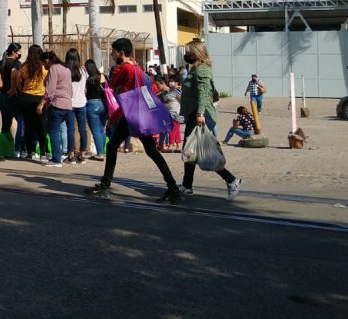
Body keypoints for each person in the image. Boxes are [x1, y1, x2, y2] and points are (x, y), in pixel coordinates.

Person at [85, 38, 182, 202]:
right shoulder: (137, 67)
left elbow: (112, 84)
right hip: (137, 113)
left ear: (121, 53)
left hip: (131, 115)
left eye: (113, 52)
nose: (112, 55)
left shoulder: (125, 68)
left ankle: (105, 185)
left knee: (113, 146)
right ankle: (173, 188)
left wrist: (111, 73)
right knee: (150, 150)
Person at [180, 39, 243, 200]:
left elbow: (203, 94)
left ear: (196, 53)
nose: (186, 55)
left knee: (205, 152)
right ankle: (187, 186)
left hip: (201, 115)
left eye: (188, 52)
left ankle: (232, 180)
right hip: (195, 113)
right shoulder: (196, 69)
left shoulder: (202, 70)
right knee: (190, 151)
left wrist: (200, 114)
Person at [12, 45, 47, 161]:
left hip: (26, 98)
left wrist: (22, 91)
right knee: (41, 126)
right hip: (40, 98)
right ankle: (43, 153)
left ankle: (30, 151)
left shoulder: (24, 66)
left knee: (28, 126)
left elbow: (18, 81)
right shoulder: (43, 67)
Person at [43, 51, 73, 167]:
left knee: (54, 131)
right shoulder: (66, 69)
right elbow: (69, 88)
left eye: (43, 62)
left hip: (56, 103)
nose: (44, 65)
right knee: (64, 130)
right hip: (67, 104)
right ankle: (65, 153)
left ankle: (56, 159)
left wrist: (45, 101)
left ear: (47, 60)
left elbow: (50, 89)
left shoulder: (54, 68)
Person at [0, 43, 25, 158]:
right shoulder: (16, 63)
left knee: (5, 124)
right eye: (19, 51)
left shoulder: (0, 63)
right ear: (13, 52)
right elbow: (16, 77)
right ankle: (20, 149)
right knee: (21, 123)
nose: (20, 53)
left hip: (2, 96)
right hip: (13, 97)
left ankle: (5, 148)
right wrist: (17, 90)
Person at [65, 48, 89, 164]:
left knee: (70, 129)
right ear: (78, 58)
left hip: (69, 104)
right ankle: (82, 153)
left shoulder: (66, 72)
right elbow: (85, 87)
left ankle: (70, 153)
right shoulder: (83, 71)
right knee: (82, 129)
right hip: (82, 103)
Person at [83, 59, 107, 161]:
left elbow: (85, 93)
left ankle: (100, 154)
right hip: (103, 104)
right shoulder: (102, 76)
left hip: (92, 104)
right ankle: (102, 151)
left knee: (95, 131)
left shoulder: (89, 80)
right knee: (101, 129)